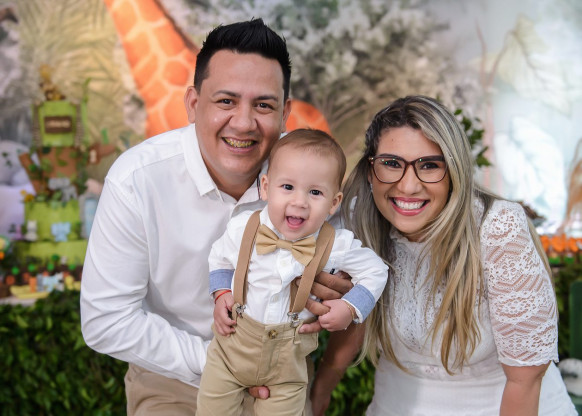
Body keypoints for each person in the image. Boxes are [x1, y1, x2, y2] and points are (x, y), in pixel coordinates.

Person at [80, 19, 351, 415]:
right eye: (226, 101)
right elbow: (106, 320)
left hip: (280, 379)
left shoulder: (313, 176)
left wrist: (336, 285)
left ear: (285, 114)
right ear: (193, 104)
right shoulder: (137, 179)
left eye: (263, 105)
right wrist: (223, 364)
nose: (243, 122)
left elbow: (342, 274)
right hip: (174, 378)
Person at [310, 95, 577, 415]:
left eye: (429, 165)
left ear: (454, 172)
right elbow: (357, 312)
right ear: (370, 170)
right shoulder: (361, 221)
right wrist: (320, 391)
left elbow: (525, 379)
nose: (408, 186)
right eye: (392, 163)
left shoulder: (497, 227)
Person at [197, 129, 388, 415]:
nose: (299, 202)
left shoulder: (336, 244)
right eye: (287, 187)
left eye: (315, 192)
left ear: (334, 203)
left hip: (287, 369)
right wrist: (222, 293)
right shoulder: (243, 227)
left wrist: (350, 307)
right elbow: (220, 258)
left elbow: (376, 270)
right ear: (266, 187)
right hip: (229, 353)